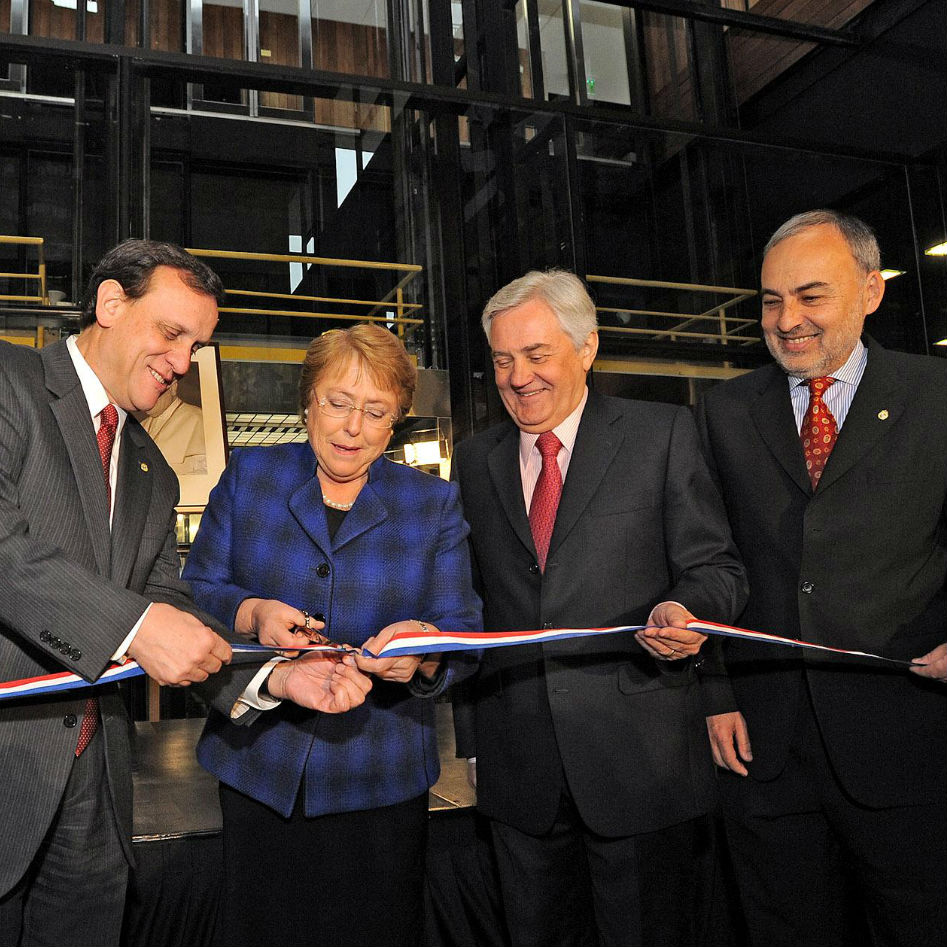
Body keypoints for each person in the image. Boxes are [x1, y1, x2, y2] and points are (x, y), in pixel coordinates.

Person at [450, 269, 747, 947]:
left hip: (640, 765)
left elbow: (716, 568)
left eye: (535, 354)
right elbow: (470, 605)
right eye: (501, 360)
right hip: (518, 767)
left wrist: (685, 607)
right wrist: (472, 744)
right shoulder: (473, 460)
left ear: (586, 348)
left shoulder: (662, 433)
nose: (517, 376)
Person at [181, 323, 482, 947]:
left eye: (375, 413)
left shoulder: (434, 503)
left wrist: (421, 654)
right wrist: (254, 611)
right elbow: (195, 591)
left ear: (395, 422)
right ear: (307, 401)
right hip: (258, 767)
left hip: (382, 775)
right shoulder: (251, 477)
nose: (352, 428)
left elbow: (462, 627)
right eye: (337, 403)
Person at [695, 210, 947, 947]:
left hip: (905, 739)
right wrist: (713, 693)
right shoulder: (722, 411)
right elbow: (705, 561)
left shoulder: (937, 396)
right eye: (771, 300)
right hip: (762, 747)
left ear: (870, 290)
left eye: (811, 295)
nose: (786, 319)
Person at [0, 240, 236, 946]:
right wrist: (134, 628)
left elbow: (167, 602)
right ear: (110, 303)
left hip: (97, 790)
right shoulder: (9, 382)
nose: (184, 362)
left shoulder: (153, 472)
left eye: (196, 345)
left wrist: (270, 667)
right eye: (171, 332)